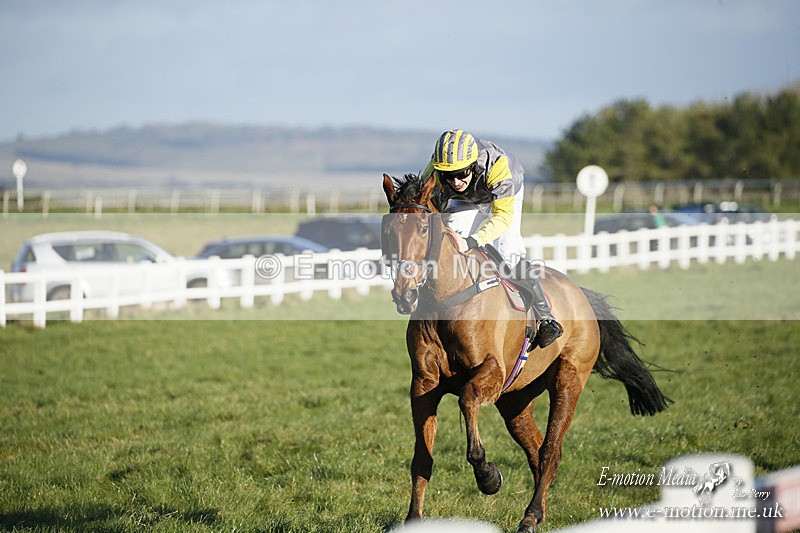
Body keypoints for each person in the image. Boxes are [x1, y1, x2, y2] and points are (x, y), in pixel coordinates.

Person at [420, 129, 562, 349]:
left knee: (508, 249)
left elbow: (502, 217)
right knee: (453, 235)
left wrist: (473, 241)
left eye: (462, 173)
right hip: (469, 199)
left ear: (473, 164)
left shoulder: (498, 167)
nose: (456, 181)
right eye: (450, 176)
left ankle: (546, 318)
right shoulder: (438, 169)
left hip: (504, 194)